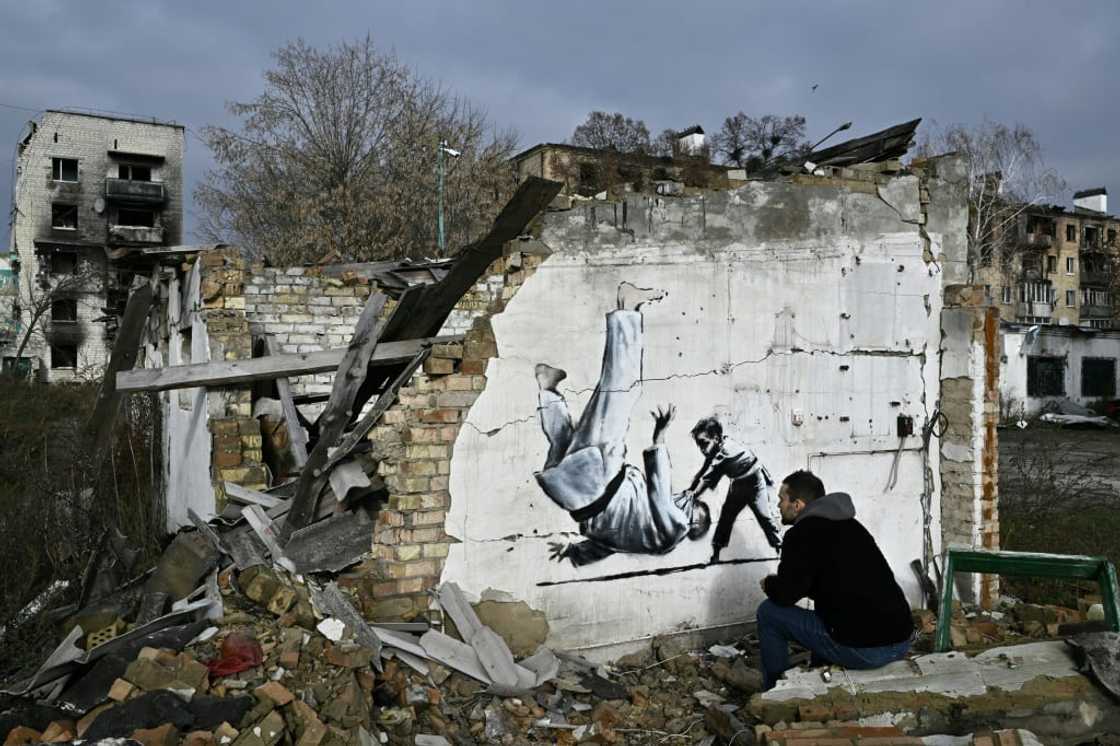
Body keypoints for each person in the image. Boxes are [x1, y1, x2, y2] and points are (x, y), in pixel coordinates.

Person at [535, 282, 710, 566]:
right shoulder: (644, 540)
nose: (685, 499)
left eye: (692, 507)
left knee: (622, 389)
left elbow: (660, 493)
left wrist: (659, 439)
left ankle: (627, 309)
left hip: (602, 480)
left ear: (693, 523)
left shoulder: (677, 527)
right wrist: (572, 552)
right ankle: (547, 388)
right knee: (566, 442)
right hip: (568, 495)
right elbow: (604, 547)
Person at [756, 470, 912, 690]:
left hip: (866, 650)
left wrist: (770, 584)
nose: (778, 505)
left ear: (797, 505)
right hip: (902, 640)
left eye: (782, 499)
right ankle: (822, 669)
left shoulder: (800, 535)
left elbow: (786, 595)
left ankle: (776, 690)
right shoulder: (852, 526)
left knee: (769, 612)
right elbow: (837, 583)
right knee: (828, 616)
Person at [683, 417, 782, 563]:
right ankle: (716, 552)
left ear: (716, 438)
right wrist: (691, 489)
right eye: (699, 445)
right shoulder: (717, 448)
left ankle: (780, 546)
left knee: (765, 517)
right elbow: (703, 471)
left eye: (704, 443)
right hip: (739, 484)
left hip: (754, 482)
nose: (702, 449)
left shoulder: (724, 452)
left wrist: (695, 493)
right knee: (726, 517)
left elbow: (707, 478)